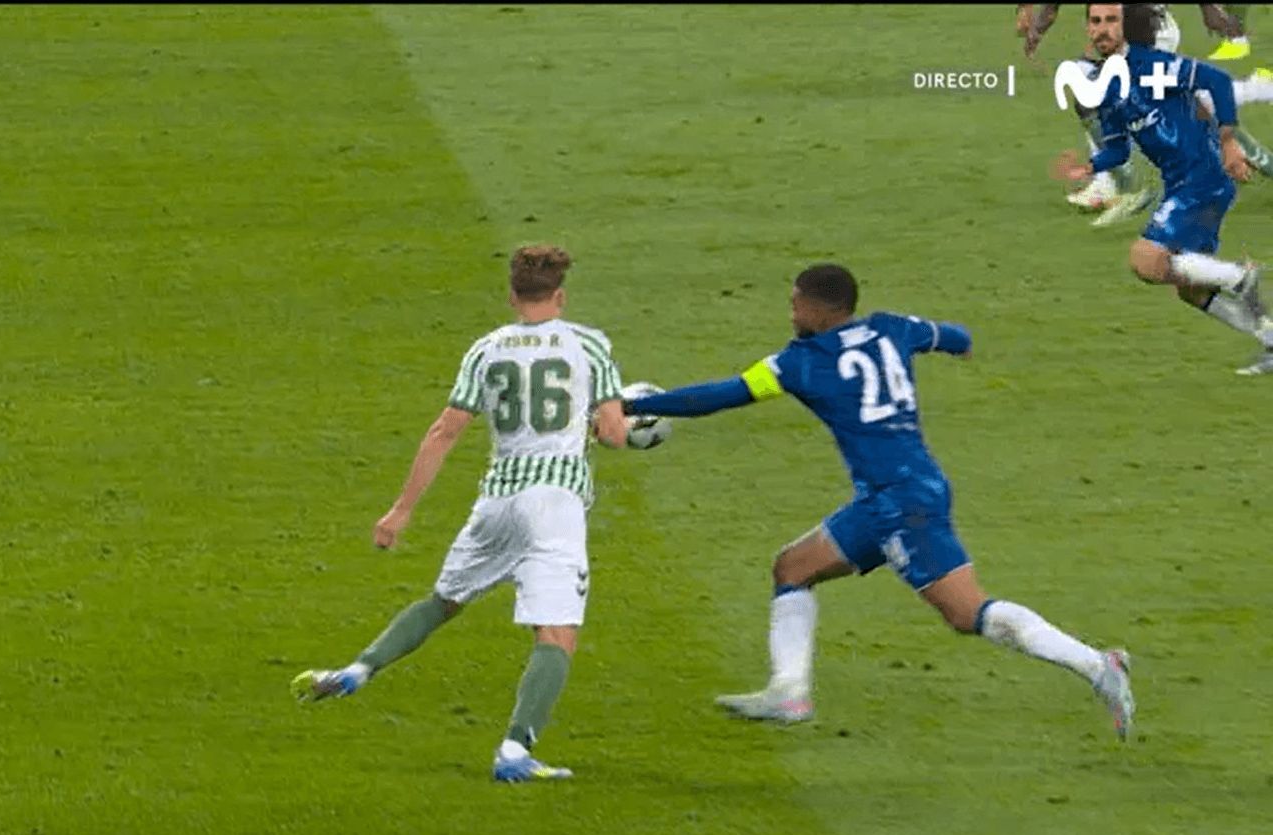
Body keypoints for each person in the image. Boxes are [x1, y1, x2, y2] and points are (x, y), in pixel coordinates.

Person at [623, 265, 1138, 740]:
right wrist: (957, 347)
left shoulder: (801, 363)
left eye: (796, 304)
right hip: (899, 491)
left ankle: (1097, 666)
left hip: (900, 506)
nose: (792, 313)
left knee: (966, 613)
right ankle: (789, 692)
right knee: (793, 567)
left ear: (820, 310)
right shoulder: (894, 328)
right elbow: (955, 337)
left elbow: (722, 394)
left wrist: (633, 405)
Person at [291, 245, 636, 782]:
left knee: (444, 600)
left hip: (497, 498)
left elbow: (445, 430)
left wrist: (400, 511)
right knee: (556, 631)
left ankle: (358, 668)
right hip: (554, 503)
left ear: (512, 296)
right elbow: (614, 435)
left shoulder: (488, 348)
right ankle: (516, 752)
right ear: (561, 296)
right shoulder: (589, 344)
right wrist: (616, 427)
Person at [1052, 4, 1273, 375]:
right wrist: (1088, 167)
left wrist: (1229, 143)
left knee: (1146, 259)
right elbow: (1119, 148)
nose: (1102, 29)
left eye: (1111, 20)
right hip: (1182, 183)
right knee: (1190, 289)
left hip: (1202, 175)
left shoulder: (1151, 65)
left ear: (1128, 26)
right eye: (1095, 21)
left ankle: (1238, 277)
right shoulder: (1107, 86)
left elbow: (1216, 82)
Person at [1021, 3, 1273, 226]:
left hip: (1151, 30)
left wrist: (1209, 10)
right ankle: (1113, 183)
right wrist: (1038, 29)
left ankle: (1124, 186)